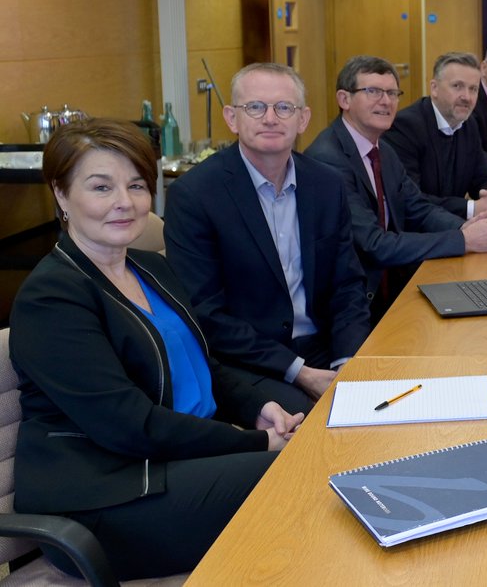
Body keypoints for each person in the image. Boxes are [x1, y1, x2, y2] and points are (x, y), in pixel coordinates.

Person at [10, 119, 304, 580]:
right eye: (101, 187)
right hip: (103, 498)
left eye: (137, 186)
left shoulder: (151, 267)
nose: (124, 203)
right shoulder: (52, 297)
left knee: (321, 438)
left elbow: (204, 365)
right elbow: (129, 425)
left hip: (177, 461)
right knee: (299, 480)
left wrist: (258, 407)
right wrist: (255, 441)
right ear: (62, 195)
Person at [165, 63, 371, 414]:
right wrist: (300, 373)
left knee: (385, 400)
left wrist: (346, 360)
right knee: (316, 422)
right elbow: (206, 314)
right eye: (255, 107)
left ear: (303, 120)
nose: (271, 118)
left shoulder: (326, 185)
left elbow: (347, 283)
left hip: (322, 345)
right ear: (232, 118)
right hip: (246, 359)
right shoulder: (194, 195)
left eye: (284, 108)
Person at [306, 55, 487, 322]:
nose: (386, 101)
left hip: (390, 285)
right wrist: (463, 240)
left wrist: (463, 227)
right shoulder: (329, 159)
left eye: (392, 93)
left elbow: (417, 207)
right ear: (344, 100)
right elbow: (373, 244)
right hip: (350, 306)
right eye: (373, 92)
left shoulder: (382, 150)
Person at [383, 51, 487, 219]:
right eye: (457, 86)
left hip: (455, 227)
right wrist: (471, 208)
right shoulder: (406, 126)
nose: (466, 97)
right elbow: (411, 199)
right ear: (434, 88)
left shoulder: (468, 124)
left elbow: (482, 176)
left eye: (473, 89)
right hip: (421, 234)